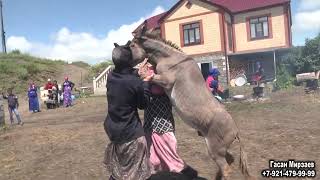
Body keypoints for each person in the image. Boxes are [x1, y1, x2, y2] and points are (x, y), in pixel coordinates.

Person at [103, 43, 153, 180]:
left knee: (119, 169)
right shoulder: (134, 82)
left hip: (114, 129)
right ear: (130, 62)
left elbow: (126, 77)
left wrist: (138, 73)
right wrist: (146, 81)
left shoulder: (111, 76)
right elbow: (143, 104)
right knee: (135, 174)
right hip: (130, 132)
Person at [143, 64, 198, 179]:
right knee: (152, 156)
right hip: (150, 121)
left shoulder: (164, 71)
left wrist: (150, 79)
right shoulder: (148, 69)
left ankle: (185, 172)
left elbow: (159, 89)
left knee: (170, 153)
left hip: (163, 122)